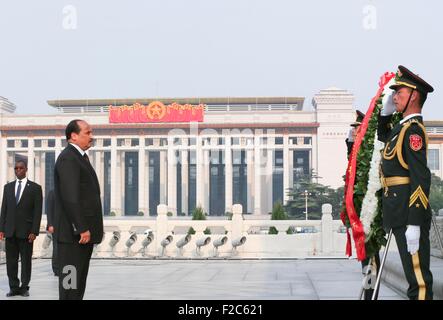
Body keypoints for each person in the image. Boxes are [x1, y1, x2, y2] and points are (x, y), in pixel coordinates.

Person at [378, 65, 434, 300]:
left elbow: (421, 177)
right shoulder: (401, 128)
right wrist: (385, 115)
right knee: (412, 275)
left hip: (407, 212)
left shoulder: (414, 132)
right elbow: (384, 137)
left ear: (414, 97)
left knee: (418, 280)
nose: (395, 97)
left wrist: (415, 222)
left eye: (399, 93)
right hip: (397, 210)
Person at [54, 119, 103, 300]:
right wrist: (81, 227)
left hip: (80, 237)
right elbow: (70, 197)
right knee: (70, 285)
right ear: (73, 136)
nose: (91, 137)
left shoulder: (79, 157)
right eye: (88, 133)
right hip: (72, 237)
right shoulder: (68, 158)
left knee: (77, 285)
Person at [345, 110, 381, 300]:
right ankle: (369, 293)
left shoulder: (371, 152)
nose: (354, 131)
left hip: (370, 215)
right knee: (365, 259)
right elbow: (351, 169)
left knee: (371, 258)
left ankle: (371, 295)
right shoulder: (359, 151)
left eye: (357, 129)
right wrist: (350, 143)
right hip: (359, 214)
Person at [0, 160, 43, 297]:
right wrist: (1, 229)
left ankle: (24, 287)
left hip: (26, 232)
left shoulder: (35, 188)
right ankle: (13, 287)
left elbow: (37, 212)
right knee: (11, 262)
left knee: (26, 262)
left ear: (26, 169)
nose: (18, 170)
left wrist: (34, 231)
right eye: (16, 168)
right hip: (10, 231)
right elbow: (4, 210)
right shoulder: (8, 187)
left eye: (21, 168)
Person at [46, 189, 59, 276]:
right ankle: (56, 268)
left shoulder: (69, 192)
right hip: (55, 226)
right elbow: (49, 210)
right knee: (56, 247)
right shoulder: (52, 192)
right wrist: (50, 224)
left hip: (66, 226)